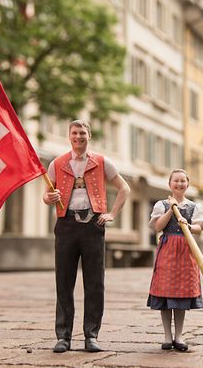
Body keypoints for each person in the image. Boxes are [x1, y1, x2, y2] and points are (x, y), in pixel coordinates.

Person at [42, 120, 130, 353]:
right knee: (64, 281)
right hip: (66, 224)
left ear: (89, 136)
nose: (78, 136)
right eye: (74, 133)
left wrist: (111, 214)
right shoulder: (57, 163)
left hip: (93, 223)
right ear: (68, 136)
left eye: (82, 133)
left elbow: (124, 188)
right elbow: (46, 194)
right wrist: (49, 198)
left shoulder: (101, 161)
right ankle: (63, 337)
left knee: (94, 283)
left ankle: (91, 335)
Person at [147, 169, 203, 352]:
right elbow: (157, 227)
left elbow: (200, 227)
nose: (180, 184)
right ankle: (167, 336)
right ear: (170, 184)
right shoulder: (161, 205)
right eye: (176, 181)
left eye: (183, 181)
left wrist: (188, 225)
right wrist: (171, 209)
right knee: (165, 294)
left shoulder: (194, 207)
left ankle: (179, 336)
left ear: (187, 184)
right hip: (167, 250)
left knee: (181, 295)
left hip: (186, 250)